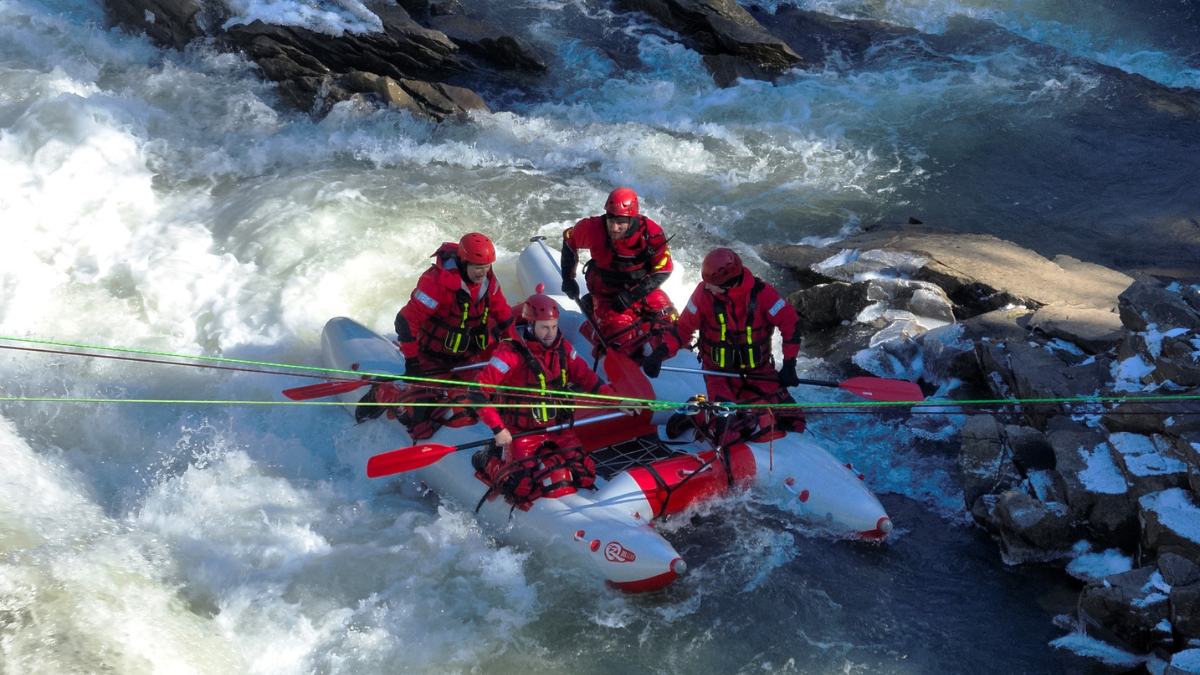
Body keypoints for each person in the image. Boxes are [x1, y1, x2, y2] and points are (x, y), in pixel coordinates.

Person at [470, 293, 625, 509]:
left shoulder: (564, 349)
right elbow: (477, 390)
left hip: (556, 427)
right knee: (520, 486)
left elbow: (588, 379)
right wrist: (498, 429)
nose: (550, 333)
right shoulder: (510, 353)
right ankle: (487, 459)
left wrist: (616, 401)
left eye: (553, 326)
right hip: (520, 430)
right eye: (544, 327)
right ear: (531, 325)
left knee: (585, 473)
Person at [643, 247, 806, 444]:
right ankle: (698, 412)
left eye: (713, 284)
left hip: (759, 372)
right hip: (719, 374)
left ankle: (743, 409)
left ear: (728, 283)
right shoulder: (703, 294)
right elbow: (683, 328)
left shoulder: (762, 293)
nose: (707, 286)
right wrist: (660, 353)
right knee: (725, 433)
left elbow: (790, 323)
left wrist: (790, 365)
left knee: (794, 421)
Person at [366, 233, 516, 434]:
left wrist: (515, 345)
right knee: (419, 424)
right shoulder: (436, 283)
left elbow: (503, 314)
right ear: (463, 262)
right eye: (478, 267)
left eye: (487, 267)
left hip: (468, 360)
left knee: (493, 398)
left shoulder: (489, 281)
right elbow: (406, 320)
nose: (483, 273)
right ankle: (384, 392)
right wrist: (412, 362)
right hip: (431, 360)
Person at [560, 187, 678, 359]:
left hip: (639, 288)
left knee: (672, 323)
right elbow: (569, 240)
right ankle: (592, 324)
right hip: (606, 290)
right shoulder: (591, 227)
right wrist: (568, 279)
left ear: (632, 218)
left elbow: (664, 269)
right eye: (611, 221)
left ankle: (640, 327)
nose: (614, 228)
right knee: (622, 345)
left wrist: (632, 295)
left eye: (621, 222)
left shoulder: (651, 233)